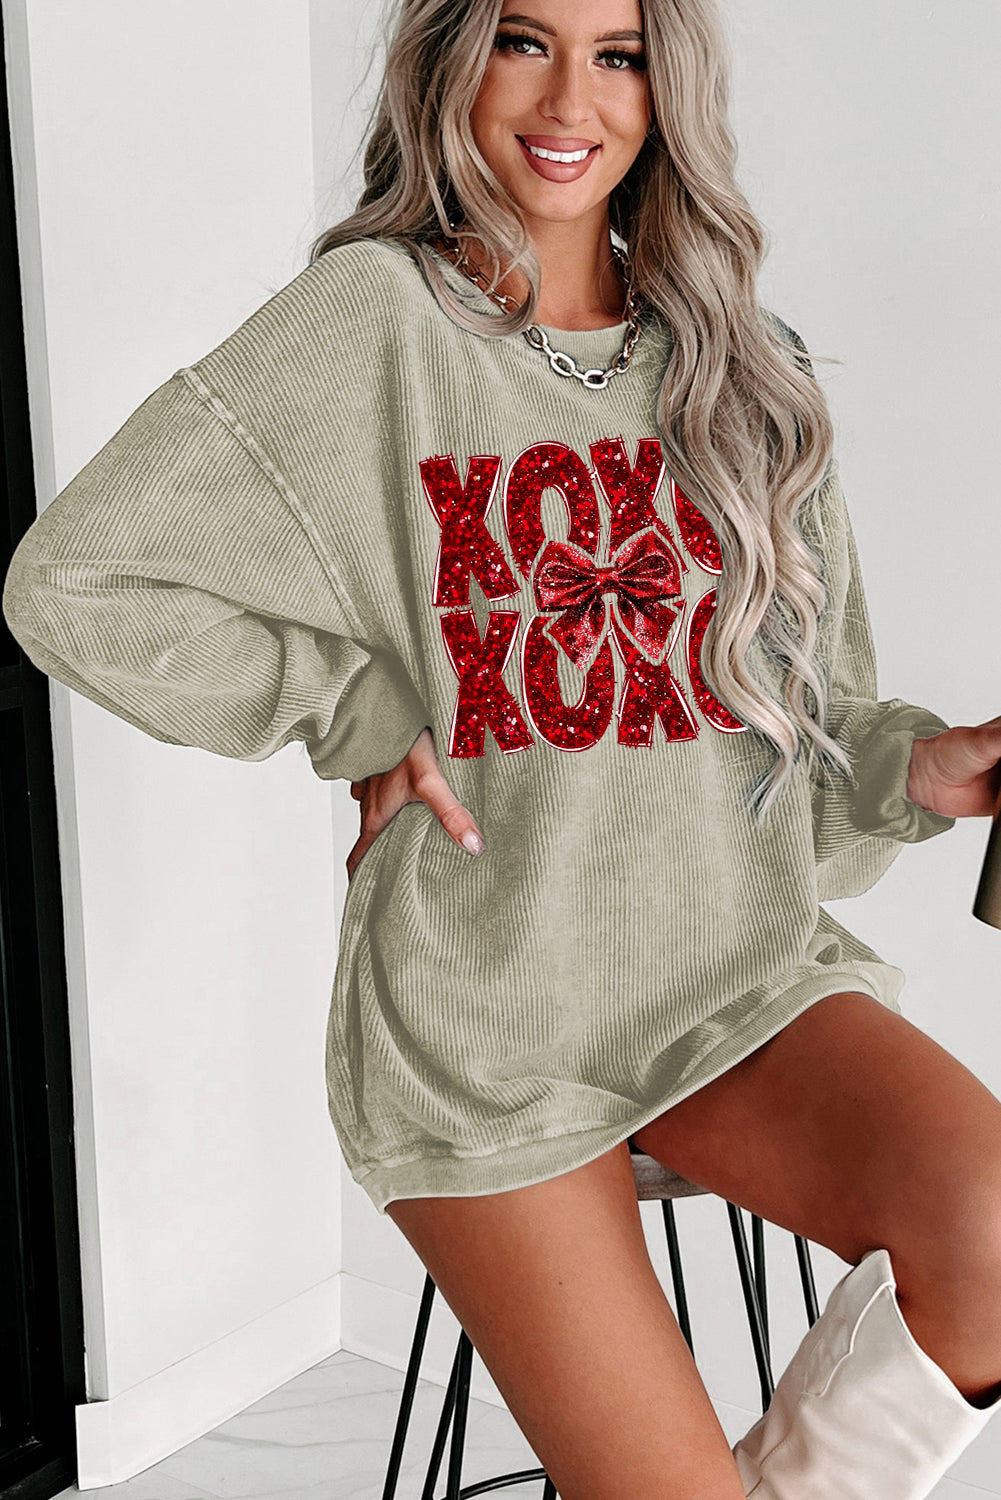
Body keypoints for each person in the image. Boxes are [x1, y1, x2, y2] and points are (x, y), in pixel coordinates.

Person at [3, 0, 1001, 1495]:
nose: (568, 100)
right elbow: (76, 584)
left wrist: (916, 770)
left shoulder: (748, 368)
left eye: (618, 54)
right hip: (489, 1024)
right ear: (451, 61)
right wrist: (357, 712)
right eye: (524, 40)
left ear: (664, 89)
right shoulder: (377, 323)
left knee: (994, 1230)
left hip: (730, 980)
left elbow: (813, 735)